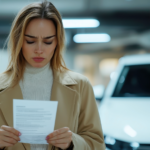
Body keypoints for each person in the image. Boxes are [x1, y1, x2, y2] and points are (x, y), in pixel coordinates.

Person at [0, 1, 105, 150]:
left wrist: (72, 142)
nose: (39, 49)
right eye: (30, 41)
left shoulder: (81, 85)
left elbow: (97, 145)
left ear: (57, 42)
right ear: (18, 41)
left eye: (48, 41)